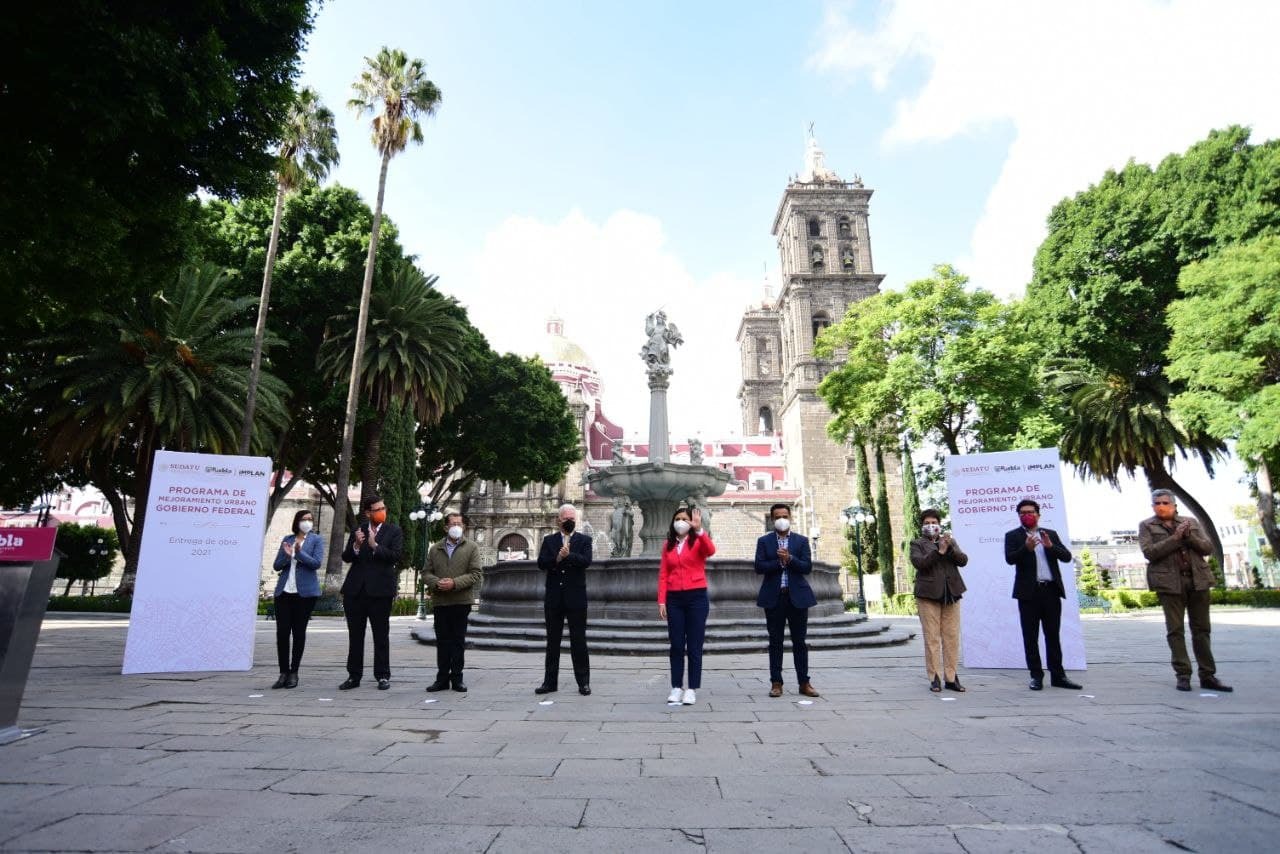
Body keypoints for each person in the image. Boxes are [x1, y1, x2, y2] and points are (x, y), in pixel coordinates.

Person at [1139, 490, 1233, 693]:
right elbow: (1150, 553)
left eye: (1165, 502)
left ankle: (1208, 675)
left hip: (1197, 580)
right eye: (1156, 503)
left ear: (1174, 505)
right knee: (1175, 630)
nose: (1160, 506)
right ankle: (1183, 674)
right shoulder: (1147, 525)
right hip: (1169, 583)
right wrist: (1175, 538)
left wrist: (1188, 536)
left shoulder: (1190, 522)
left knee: (1202, 630)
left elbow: (1207, 548)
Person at [1004, 499, 1082, 691]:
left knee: (1052, 635)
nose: (1026, 515)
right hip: (1028, 593)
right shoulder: (1013, 535)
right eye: (1022, 513)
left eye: (1030, 512)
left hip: (1050, 591)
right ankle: (1036, 676)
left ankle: (1058, 676)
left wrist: (1050, 547)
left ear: (1038, 514)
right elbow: (1010, 559)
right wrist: (1026, 548)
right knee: (1030, 636)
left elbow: (1066, 557)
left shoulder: (1050, 534)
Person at [339, 493, 403, 691]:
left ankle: (382, 675)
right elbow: (346, 557)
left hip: (381, 591)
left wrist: (375, 545)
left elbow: (395, 556)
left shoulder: (394, 531)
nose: (382, 512)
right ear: (368, 513)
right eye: (378, 509)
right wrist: (357, 546)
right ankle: (353, 675)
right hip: (356, 591)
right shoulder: (358, 530)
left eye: (383, 508)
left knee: (381, 635)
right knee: (355, 636)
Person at [754, 504, 819, 698]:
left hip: (797, 598)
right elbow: (759, 566)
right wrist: (778, 561)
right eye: (777, 516)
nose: (781, 519)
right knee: (775, 642)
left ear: (790, 517)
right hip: (774, 598)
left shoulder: (801, 541)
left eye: (784, 515)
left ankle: (804, 682)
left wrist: (790, 559)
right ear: (773, 520)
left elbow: (807, 567)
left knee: (800, 642)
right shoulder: (764, 541)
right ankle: (776, 683)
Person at [535, 503, 593, 696]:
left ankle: (583, 682)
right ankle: (549, 682)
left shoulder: (584, 540)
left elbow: (586, 561)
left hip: (575, 597)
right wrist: (557, 559)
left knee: (579, 641)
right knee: (553, 641)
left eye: (572, 519)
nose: (569, 521)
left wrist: (569, 556)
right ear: (558, 520)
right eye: (566, 518)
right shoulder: (549, 540)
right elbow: (542, 563)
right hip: (554, 598)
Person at [658, 506, 714, 705]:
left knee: (695, 646)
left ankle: (691, 688)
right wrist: (662, 600)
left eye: (684, 519)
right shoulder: (668, 545)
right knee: (676, 645)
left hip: (696, 597)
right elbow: (664, 573)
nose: (680, 522)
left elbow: (711, 551)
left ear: (691, 522)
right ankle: (676, 687)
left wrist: (699, 530)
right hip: (674, 599)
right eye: (677, 519)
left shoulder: (698, 541)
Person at [423, 512, 484, 693]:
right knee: (442, 641)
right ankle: (442, 678)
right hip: (440, 602)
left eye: (460, 523)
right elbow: (426, 572)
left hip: (461, 601)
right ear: (446, 527)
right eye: (453, 523)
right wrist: (436, 583)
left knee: (457, 641)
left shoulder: (471, 547)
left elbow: (476, 573)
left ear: (464, 527)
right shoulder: (435, 549)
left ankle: (457, 678)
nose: (457, 526)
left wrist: (454, 583)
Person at [909, 509, 968, 693]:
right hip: (928, 595)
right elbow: (920, 564)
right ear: (922, 525)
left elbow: (963, 560)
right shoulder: (917, 543)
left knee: (951, 637)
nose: (930, 525)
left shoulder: (950, 541)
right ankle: (934, 677)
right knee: (932, 637)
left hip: (951, 593)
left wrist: (949, 548)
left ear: (939, 524)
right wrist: (939, 551)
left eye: (933, 522)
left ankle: (951, 677)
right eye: (926, 523)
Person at [270, 509, 324, 689]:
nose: (307, 522)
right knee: (282, 633)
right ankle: (283, 672)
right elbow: (277, 566)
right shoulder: (288, 539)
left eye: (310, 519)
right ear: (297, 521)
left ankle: (294, 672)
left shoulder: (316, 540)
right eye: (304, 519)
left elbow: (316, 563)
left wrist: (298, 554)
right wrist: (287, 556)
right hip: (284, 592)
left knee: (299, 632)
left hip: (305, 594)